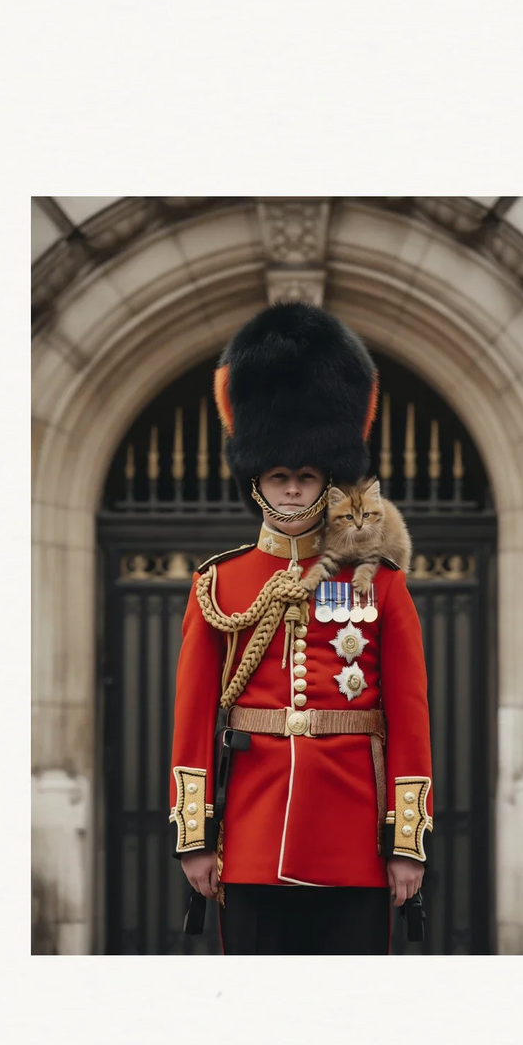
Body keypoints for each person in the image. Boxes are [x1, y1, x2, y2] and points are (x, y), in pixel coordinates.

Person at [166, 301, 433, 954]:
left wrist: (405, 843)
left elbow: (407, 716)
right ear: (256, 480)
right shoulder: (217, 584)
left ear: (326, 481)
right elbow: (193, 717)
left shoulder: (382, 585)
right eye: (278, 476)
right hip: (252, 839)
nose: (290, 490)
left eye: (304, 476)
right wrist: (195, 837)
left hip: (352, 838)